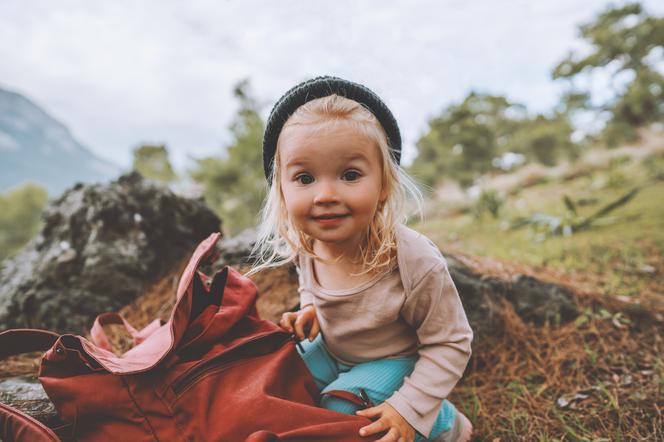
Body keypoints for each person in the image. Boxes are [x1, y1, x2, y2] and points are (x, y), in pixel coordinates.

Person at [249, 76, 473, 442]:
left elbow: (450, 342)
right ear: (282, 189)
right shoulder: (309, 242)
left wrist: (409, 407)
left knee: (342, 420)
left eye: (350, 175)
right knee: (278, 384)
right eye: (304, 178)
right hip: (333, 351)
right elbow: (311, 287)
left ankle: (444, 423)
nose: (325, 195)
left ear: (383, 184)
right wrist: (311, 309)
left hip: (392, 359)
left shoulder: (411, 258)